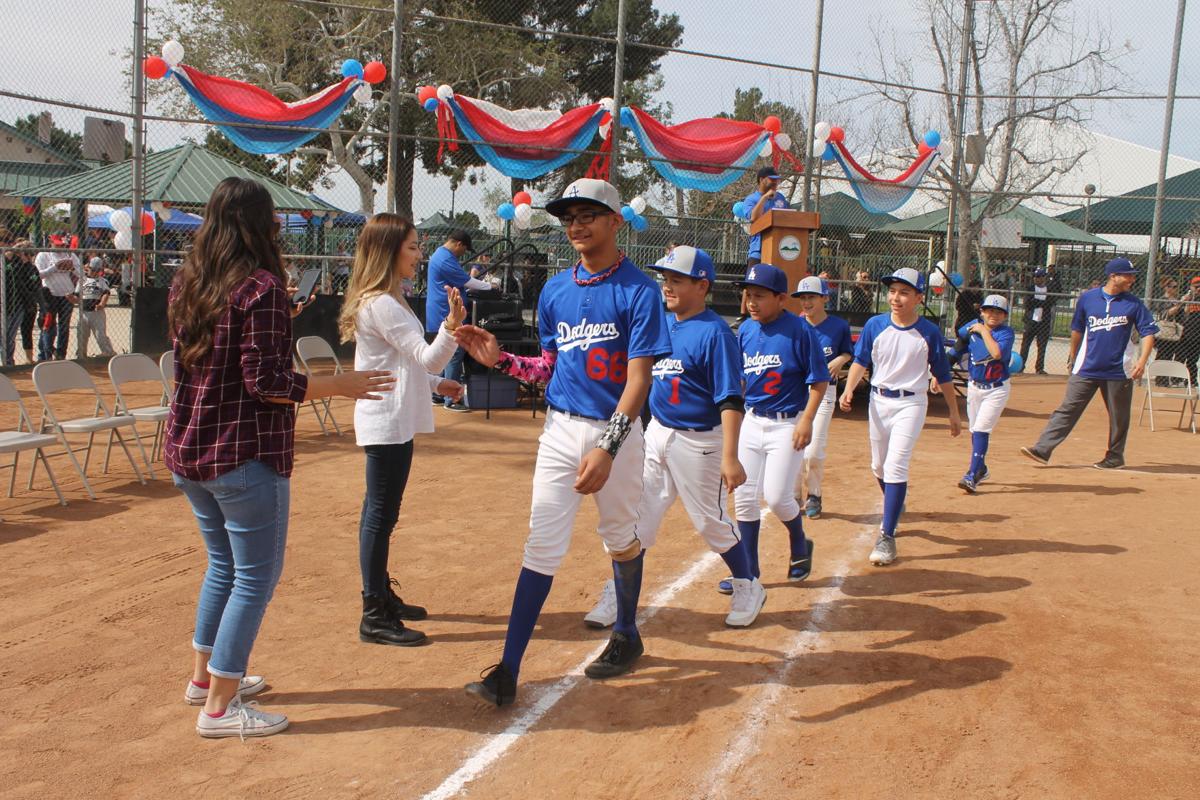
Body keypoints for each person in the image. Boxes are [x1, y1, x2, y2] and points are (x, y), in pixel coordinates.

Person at [165, 177, 394, 739]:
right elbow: (266, 381)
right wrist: (340, 384)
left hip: (190, 448)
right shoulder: (260, 288)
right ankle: (219, 707)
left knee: (225, 566)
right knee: (255, 576)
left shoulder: (188, 281)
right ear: (259, 224)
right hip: (241, 454)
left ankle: (206, 679)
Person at [452, 178, 670, 707]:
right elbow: (548, 369)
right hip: (558, 429)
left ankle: (626, 634)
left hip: (614, 432)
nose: (576, 223)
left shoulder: (639, 290)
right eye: (569, 215)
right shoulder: (554, 290)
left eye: (589, 213)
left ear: (616, 221)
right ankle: (506, 670)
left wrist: (609, 446)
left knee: (620, 537)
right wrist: (499, 361)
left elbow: (639, 382)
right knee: (541, 545)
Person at [583, 245, 763, 630]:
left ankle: (748, 583)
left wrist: (731, 456)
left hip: (700, 441)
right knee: (637, 520)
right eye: (666, 279)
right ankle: (618, 593)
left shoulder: (716, 333)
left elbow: (730, 398)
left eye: (677, 280)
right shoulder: (661, 323)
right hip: (657, 433)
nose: (668, 287)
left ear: (703, 285)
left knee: (710, 523)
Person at [337, 213, 468, 648]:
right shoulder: (383, 303)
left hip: (392, 418)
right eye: (412, 246)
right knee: (379, 516)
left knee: (380, 514)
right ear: (390, 251)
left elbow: (404, 364)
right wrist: (451, 328)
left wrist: (436, 384)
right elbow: (427, 356)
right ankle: (374, 611)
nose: (418, 254)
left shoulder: (388, 299)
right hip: (386, 422)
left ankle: (380, 598)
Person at [839, 267, 961, 566]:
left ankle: (887, 535)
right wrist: (848, 389)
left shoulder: (928, 332)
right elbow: (860, 360)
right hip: (879, 401)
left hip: (911, 404)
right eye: (893, 291)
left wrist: (955, 414)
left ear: (919, 297)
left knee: (895, 465)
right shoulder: (875, 324)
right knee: (878, 465)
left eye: (905, 292)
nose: (896, 297)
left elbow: (943, 374)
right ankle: (896, 499)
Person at [723, 264, 829, 594]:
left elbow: (819, 380)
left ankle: (799, 540)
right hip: (752, 421)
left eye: (759, 296)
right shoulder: (746, 332)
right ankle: (750, 572)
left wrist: (808, 420)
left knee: (779, 496)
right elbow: (739, 382)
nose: (751, 302)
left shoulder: (799, 330)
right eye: (748, 295)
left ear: (781, 298)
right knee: (743, 497)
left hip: (787, 424)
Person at [1020, 258, 1157, 470]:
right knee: (1068, 408)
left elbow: (1148, 333)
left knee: (1119, 415)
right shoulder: (1088, 299)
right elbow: (1077, 329)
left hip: (1119, 370)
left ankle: (1115, 456)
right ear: (1113, 276)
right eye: (1127, 275)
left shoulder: (1134, 303)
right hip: (1086, 367)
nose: (1132, 279)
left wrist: (1142, 360)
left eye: (1132, 275)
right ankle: (1043, 449)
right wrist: (1073, 356)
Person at [791, 276, 854, 519]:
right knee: (795, 446)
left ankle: (814, 494)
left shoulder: (838, 326)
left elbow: (849, 351)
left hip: (825, 391)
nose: (806, 302)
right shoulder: (795, 325)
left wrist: (841, 359)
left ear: (825, 298)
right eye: (803, 298)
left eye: (811, 297)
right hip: (797, 391)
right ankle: (795, 494)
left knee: (814, 449)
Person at [949, 294, 1014, 493]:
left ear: (1004, 316)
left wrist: (983, 330)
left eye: (998, 312)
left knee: (981, 430)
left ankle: (973, 474)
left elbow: (996, 354)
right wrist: (941, 373)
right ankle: (982, 468)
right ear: (982, 312)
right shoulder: (972, 327)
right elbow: (958, 348)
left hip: (996, 389)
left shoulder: (1006, 333)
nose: (993, 315)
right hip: (975, 387)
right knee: (975, 430)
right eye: (989, 311)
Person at [425, 229, 492, 412]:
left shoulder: (442, 255)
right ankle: (450, 399)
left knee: (443, 352)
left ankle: (437, 394)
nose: (464, 252)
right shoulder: (445, 258)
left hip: (443, 311)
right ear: (458, 244)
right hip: (445, 311)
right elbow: (466, 281)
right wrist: (490, 286)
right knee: (454, 352)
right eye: (464, 249)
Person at [738, 167, 790, 321]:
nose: (775, 182)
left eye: (777, 179)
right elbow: (753, 217)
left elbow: (788, 217)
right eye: (771, 179)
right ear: (761, 180)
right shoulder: (751, 199)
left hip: (778, 249)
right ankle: (743, 315)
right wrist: (765, 198)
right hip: (758, 249)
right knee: (752, 283)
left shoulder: (781, 198)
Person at [33, 243, 80, 361]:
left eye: (63, 244)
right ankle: (45, 354)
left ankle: (60, 354)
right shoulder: (43, 254)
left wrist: (72, 268)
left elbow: (82, 274)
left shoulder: (70, 254)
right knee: (49, 326)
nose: (61, 247)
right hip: (49, 294)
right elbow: (38, 275)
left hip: (67, 294)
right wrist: (55, 267)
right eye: (58, 244)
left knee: (64, 326)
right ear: (51, 241)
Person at [3, 242, 41, 366]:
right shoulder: (12, 264)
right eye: (24, 253)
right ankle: (7, 360)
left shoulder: (30, 267)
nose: (27, 256)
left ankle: (25, 360)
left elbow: (37, 285)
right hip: (14, 303)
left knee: (25, 331)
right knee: (7, 334)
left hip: (27, 303)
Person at [75, 257, 116, 359]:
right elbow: (76, 296)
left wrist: (102, 303)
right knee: (82, 335)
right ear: (87, 268)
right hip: (83, 312)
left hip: (97, 312)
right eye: (92, 269)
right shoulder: (82, 280)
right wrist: (71, 298)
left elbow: (106, 293)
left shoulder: (102, 281)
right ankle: (81, 354)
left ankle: (108, 352)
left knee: (100, 335)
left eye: (98, 270)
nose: (94, 272)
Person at [1018, 267, 1055, 374]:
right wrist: (1041, 303)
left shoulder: (1049, 289)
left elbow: (1050, 303)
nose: (1036, 279)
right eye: (1035, 276)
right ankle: (1021, 366)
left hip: (1044, 322)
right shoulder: (1030, 288)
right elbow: (1028, 303)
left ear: (1044, 277)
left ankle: (1039, 368)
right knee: (1025, 345)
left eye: (1039, 276)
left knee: (1042, 346)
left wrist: (1036, 302)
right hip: (1031, 321)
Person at [1173, 277, 1200, 386]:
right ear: (1191, 287)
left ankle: (1191, 380)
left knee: (1193, 359)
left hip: (1197, 334)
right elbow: (1183, 313)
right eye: (1196, 287)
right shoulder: (1186, 298)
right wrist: (1186, 301)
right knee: (1180, 356)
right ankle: (1176, 378)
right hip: (1185, 332)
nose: (1198, 289)